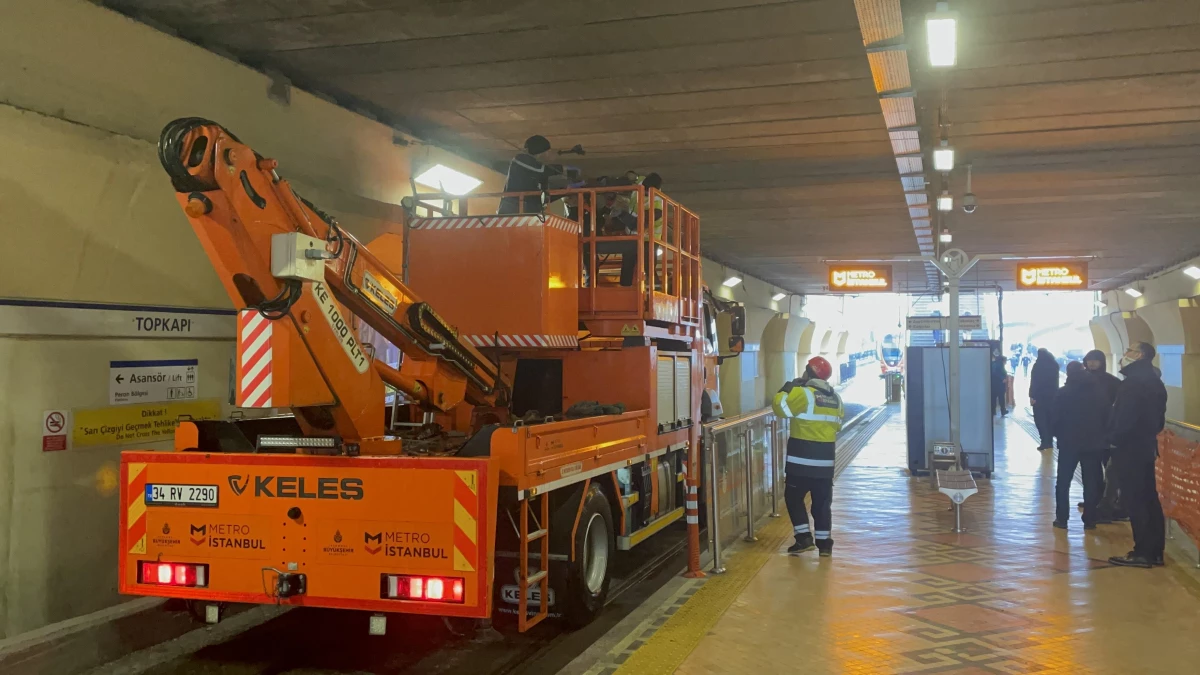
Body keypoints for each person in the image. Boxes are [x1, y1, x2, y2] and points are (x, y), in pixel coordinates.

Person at [771, 356, 845, 558]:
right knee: (822, 503)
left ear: (808, 373)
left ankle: (803, 539)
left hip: (801, 459)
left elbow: (780, 408)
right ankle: (825, 545)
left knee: (793, 497)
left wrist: (787, 388)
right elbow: (838, 425)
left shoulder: (803, 393)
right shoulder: (836, 398)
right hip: (826, 461)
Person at [1108, 342, 1169, 568]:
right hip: (1146, 446)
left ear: (1140, 355)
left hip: (1129, 448)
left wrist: (1113, 438)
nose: (1125, 354)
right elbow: (1158, 420)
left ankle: (1141, 552)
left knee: (1134, 499)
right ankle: (1155, 552)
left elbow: (1125, 419)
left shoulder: (1132, 384)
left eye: (1130, 351)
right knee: (1149, 498)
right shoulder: (1155, 382)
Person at [1051, 361, 1109, 530]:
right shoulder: (1099, 393)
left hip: (1068, 444)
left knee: (1063, 482)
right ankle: (1090, 519)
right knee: (1091, 482)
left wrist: (1060, 435)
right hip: (1093, 444)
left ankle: (1062, 519)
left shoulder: (1063, 393)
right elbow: (1107, 417)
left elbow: (1054, 419)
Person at [1084, 349, 1125, 522]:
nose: (1092, 364)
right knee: (1093, 470)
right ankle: (1095, 499)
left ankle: (1109, 501)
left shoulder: (1112, 382)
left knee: (1109, 469)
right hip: (1088, 432)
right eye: (1089, 360)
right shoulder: (1081, 380)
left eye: (1096, 360)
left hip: (1107, 432)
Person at [498, 135, 552, 214]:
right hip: (513, 208)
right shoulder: (520, 159)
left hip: (530, 210)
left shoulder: (537, 170)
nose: (548, 154)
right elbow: (541, 170)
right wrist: (563, 169)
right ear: (539, 151)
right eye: (546, 152)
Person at [1029, 348, 1060, 450]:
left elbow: (1035, 382)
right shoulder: (1054, 365)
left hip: (1039, 398)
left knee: (1040, 420)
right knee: (1050, 420)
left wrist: (1032, 395)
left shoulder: (1038, 366)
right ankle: (1050, 441)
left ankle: (1044, 442)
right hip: (1053, 397)